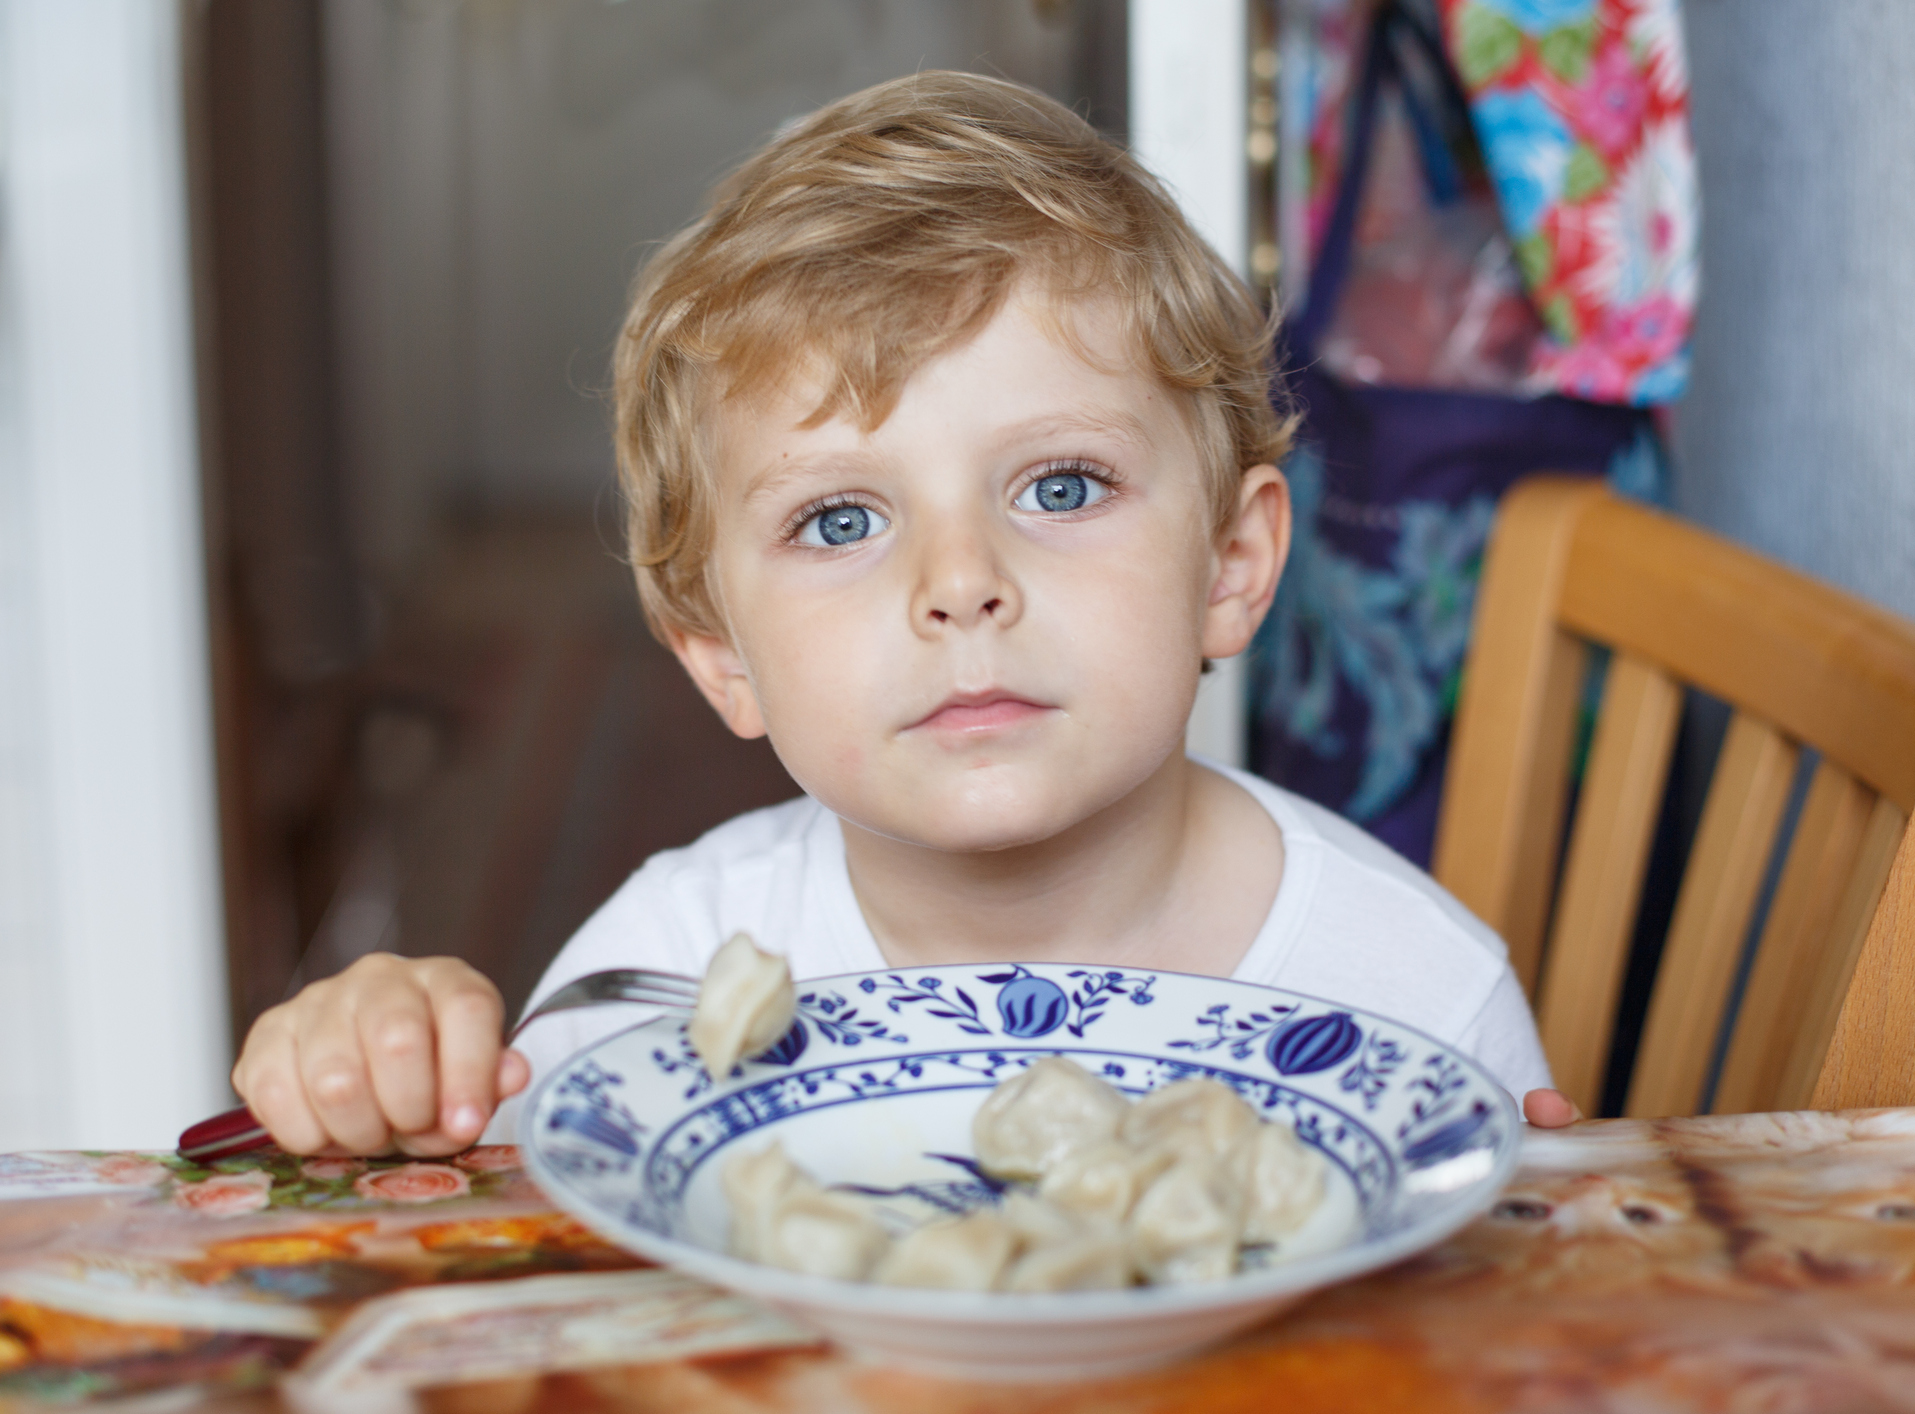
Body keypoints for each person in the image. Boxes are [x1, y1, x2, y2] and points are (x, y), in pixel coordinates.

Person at [230, 72, 1578, 1159]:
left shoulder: (1410, 992)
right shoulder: (668, 974)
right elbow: (526, 1275)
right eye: (839, 520)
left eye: (1060, 484)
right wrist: (391, 1084)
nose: (958, 580)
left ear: (1229, 562)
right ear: (721, 658)